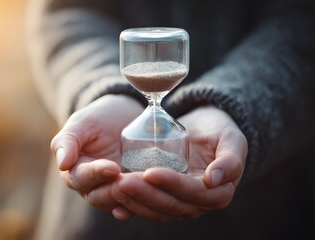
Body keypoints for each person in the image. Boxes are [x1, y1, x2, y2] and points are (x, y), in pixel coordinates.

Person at [27, 0, 315, 239]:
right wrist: (100, 88)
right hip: (96, 227)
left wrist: (238, 104)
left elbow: (302, 27)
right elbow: (67, 13)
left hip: (269, 207)